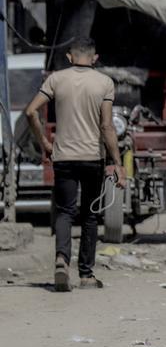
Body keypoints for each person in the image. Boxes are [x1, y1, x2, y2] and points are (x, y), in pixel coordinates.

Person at [24, 37, 125, 292]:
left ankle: (61, 260)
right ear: (94, 58)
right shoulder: (104, 82)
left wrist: (45, 143)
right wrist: (118, 163)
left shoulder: (56, 79)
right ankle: (87, 276)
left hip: (63, 157)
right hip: (93, 158)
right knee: (90, 216)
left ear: (69, 57)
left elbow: (30, 112)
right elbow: (106, 126)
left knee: (65, 211)